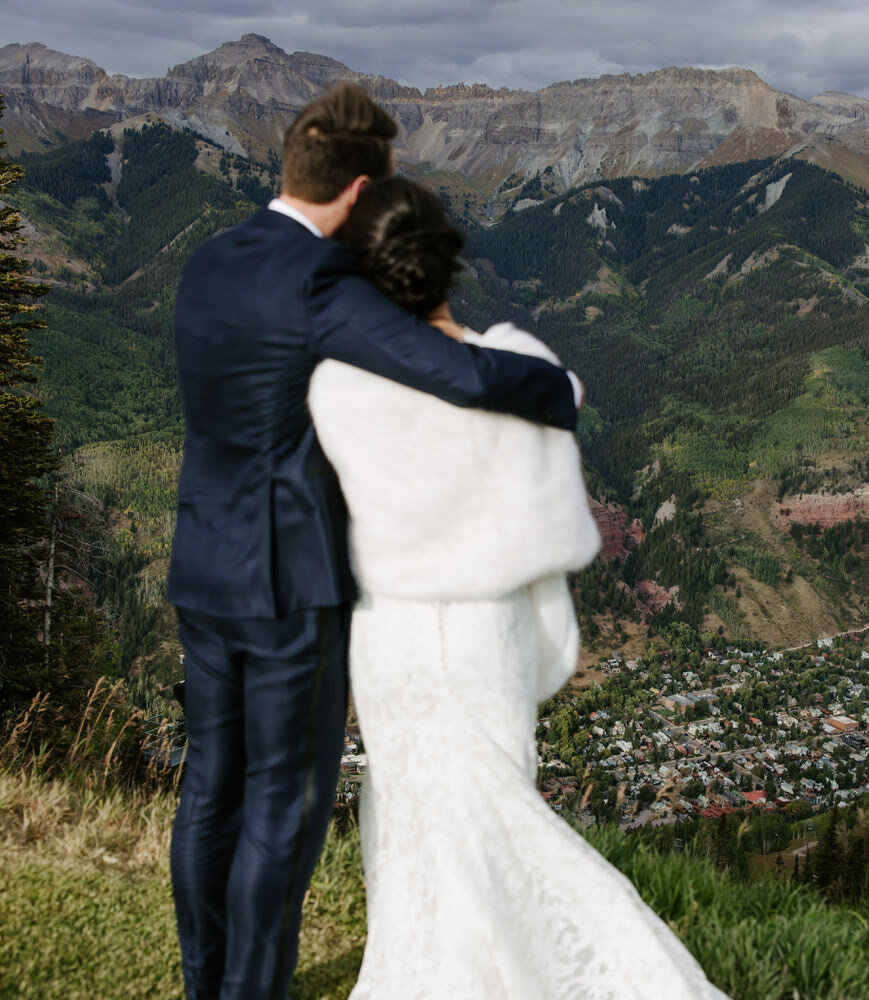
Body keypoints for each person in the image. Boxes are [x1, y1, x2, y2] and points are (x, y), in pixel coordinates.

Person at [166, 84, 581, 1000]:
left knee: (208, 793)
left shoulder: (209, 258)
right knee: (284, 803)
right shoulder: (317, 281)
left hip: (199, 559)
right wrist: (560, 390)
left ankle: (205, 985)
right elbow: (457, 374)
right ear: (359, 193)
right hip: (288, 578)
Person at [308, 176, 730, 999]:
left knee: (416, 815)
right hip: (484, 630)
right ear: (449, 263)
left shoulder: (338, 385)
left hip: (392, 631)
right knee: (499, 808)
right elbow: (560, 411)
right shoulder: (521, 365)